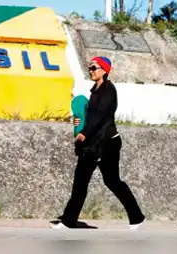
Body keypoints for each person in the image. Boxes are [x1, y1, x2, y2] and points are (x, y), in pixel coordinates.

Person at [51, 56, 145, 230]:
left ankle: (137, 217)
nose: (91, 71)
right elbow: (90, 115)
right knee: (80, 181)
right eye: (90, 68)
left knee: (112, 181)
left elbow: (101, 117)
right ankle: (68, 220)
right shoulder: (94, 90)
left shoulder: (109, 90)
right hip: (93, 143)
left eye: (94, 67)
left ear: (104, 70)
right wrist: (80, 122)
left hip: (108, 143)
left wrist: (84, 133)